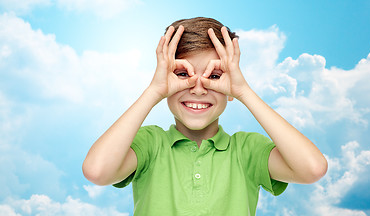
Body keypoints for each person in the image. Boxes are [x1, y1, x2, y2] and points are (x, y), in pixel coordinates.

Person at [82, 17, 328, 215]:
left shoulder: (246, 151)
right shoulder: (150, 144)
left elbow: (312, 169)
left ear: (229, 88)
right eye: (181, 74)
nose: (198, 88)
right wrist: (153, 91)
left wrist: (244, 91)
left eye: (214, 76)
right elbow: (97, 171)